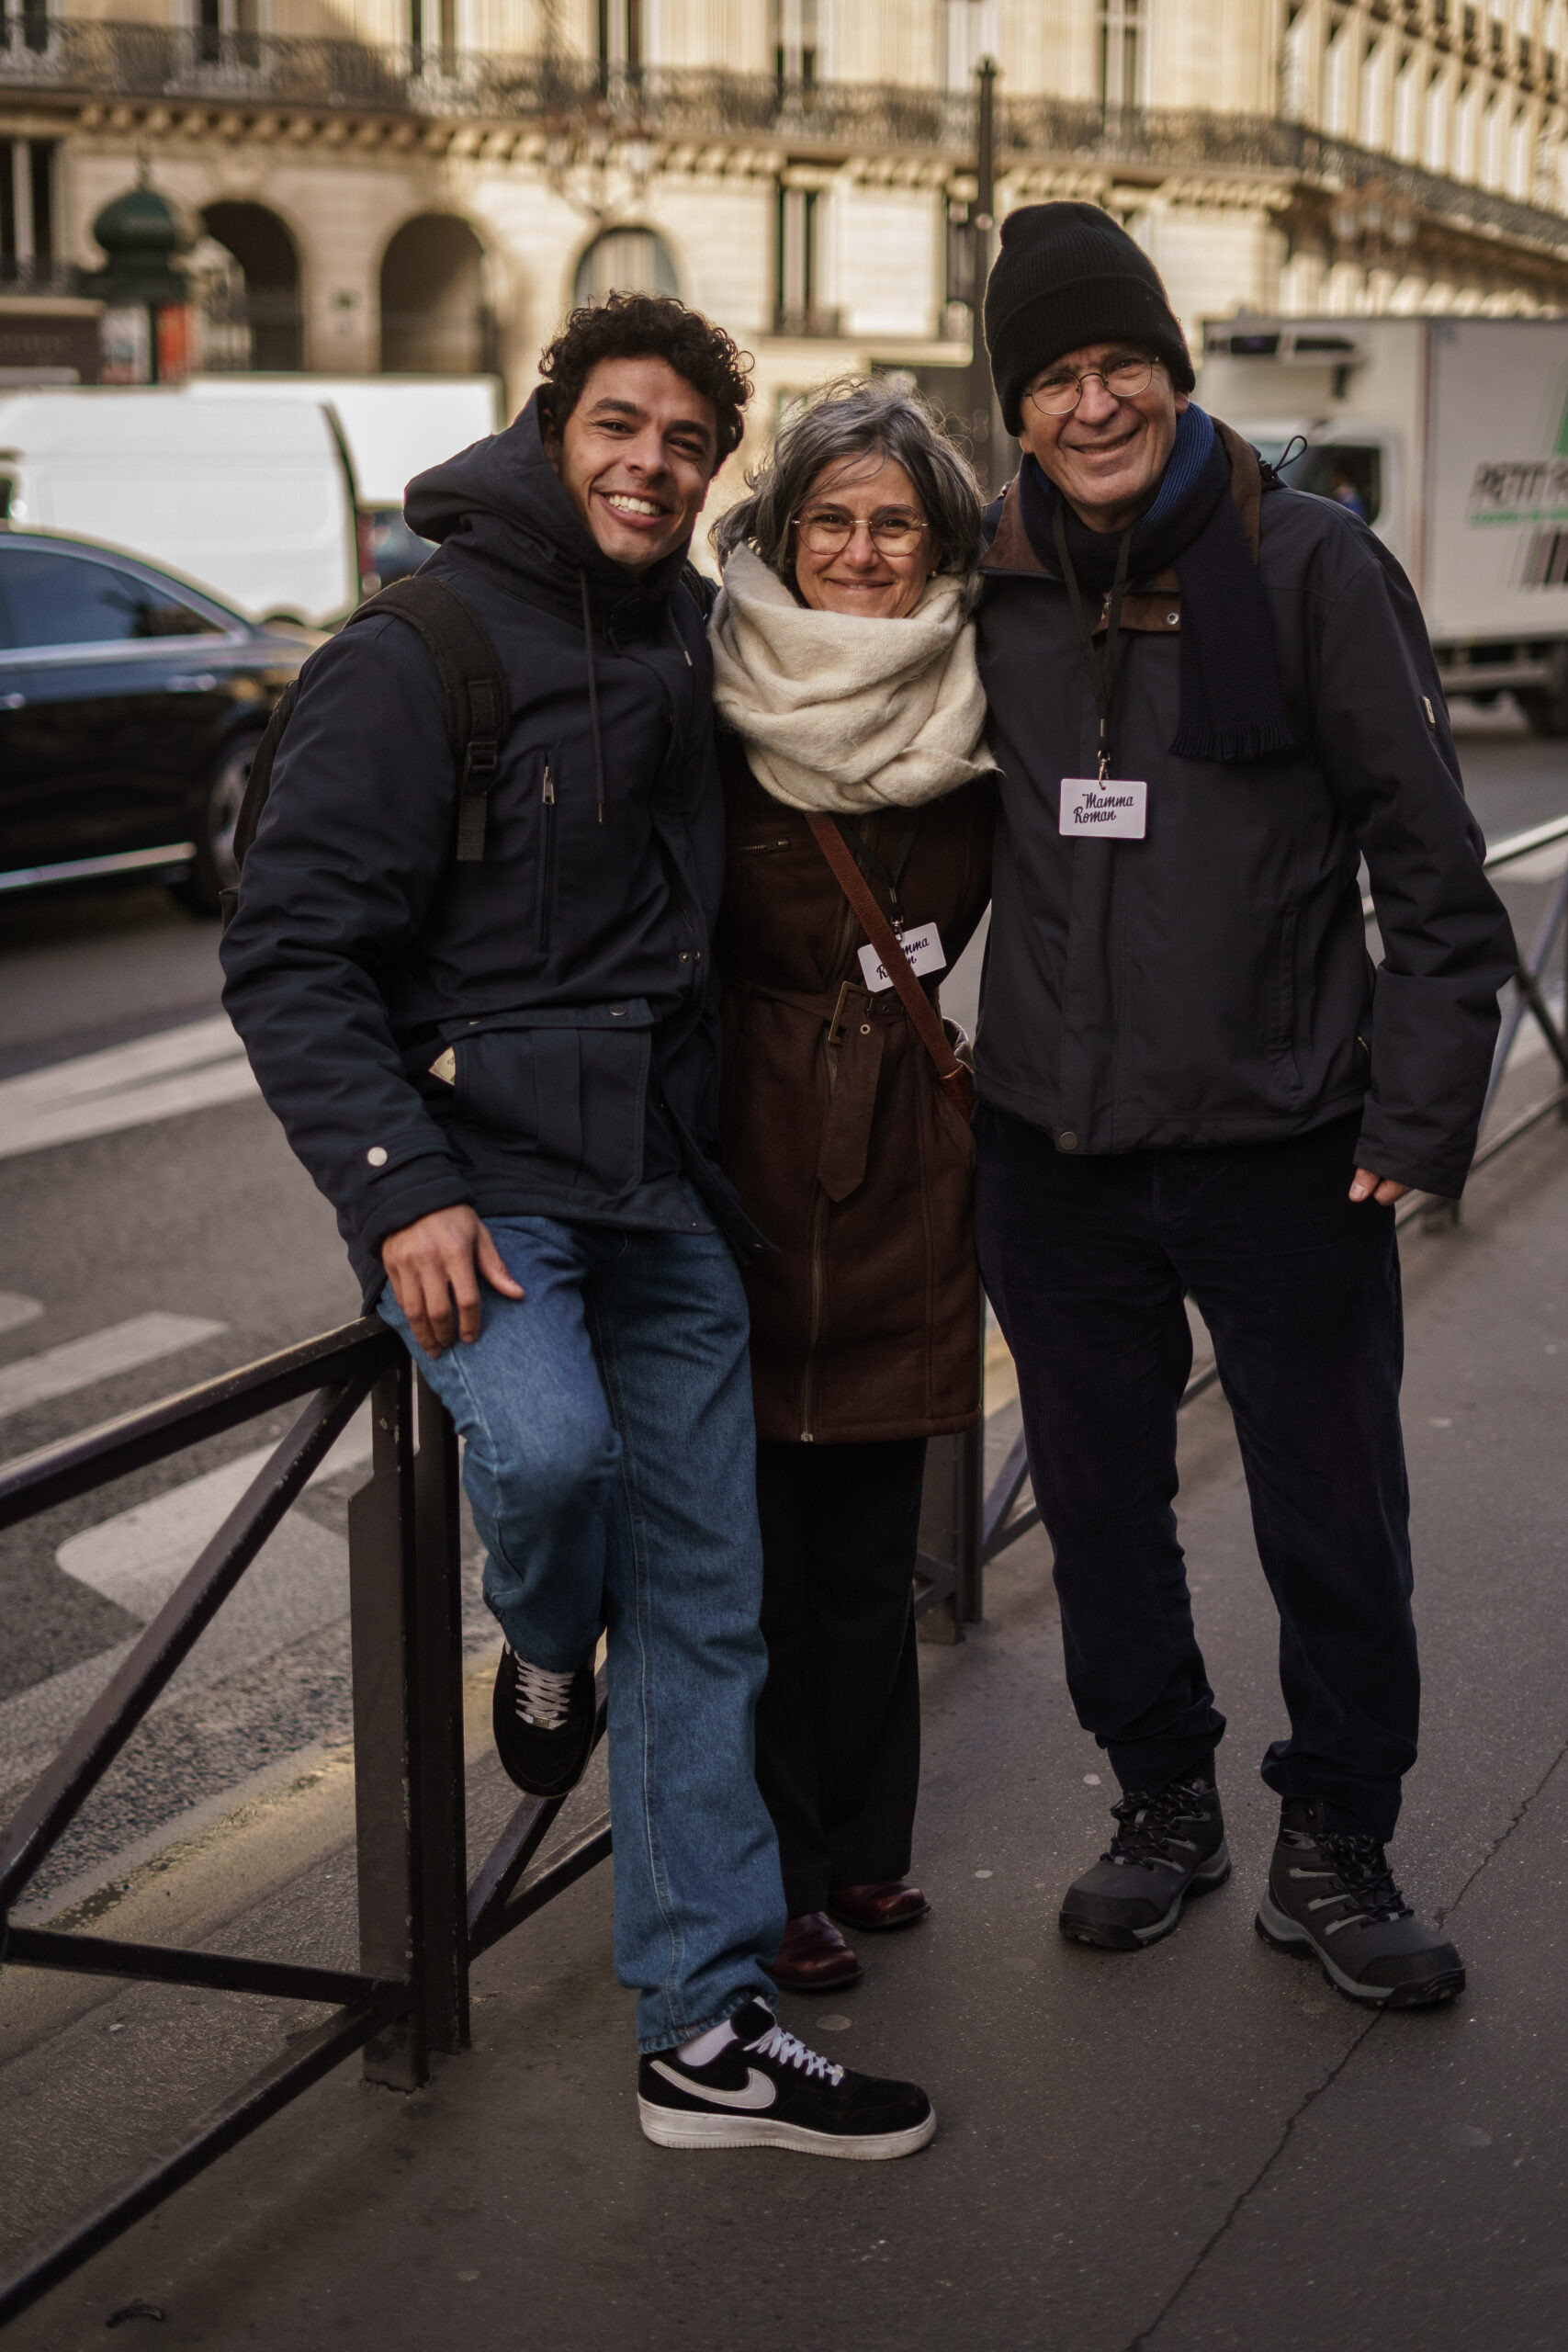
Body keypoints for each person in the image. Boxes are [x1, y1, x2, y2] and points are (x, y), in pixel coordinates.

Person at [220, 293, 934, 2159]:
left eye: (687, 445)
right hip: (485, 1193)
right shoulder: (417, 647)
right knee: (542, 1462)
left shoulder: (692, 637)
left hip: (665, 1197)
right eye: (622, 425)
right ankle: (541, 1644)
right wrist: (399, 1189)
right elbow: (289, 946)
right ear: (555, 427)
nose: (651, 462)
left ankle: (702, 2023)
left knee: (710, 1610)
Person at [972, 204, 1516, 2007]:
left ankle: (1334, 1839)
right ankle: (1158, 1803)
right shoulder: (994, 581)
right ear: (1015, 407)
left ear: (1167, 365)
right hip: (1053, 1154)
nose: (1090, 400)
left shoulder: (1305, 567)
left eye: (1115, 359)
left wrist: (1407, 1122)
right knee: (1097, 1511)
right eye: (1049, 375)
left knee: (1330, 1514)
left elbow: (1433, 872)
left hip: (1288, 1147)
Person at [709, 379, 993, 1992]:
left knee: (871, 1545)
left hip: (907, 1148)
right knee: (747, 1548)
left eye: (894, 524)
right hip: (745, 1154)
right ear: (783, 533)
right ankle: (783, 1872)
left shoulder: (981, 696)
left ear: (936, 542)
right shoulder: (717, 696)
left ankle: (867, 1851)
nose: (865, 554)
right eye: (833, 521)